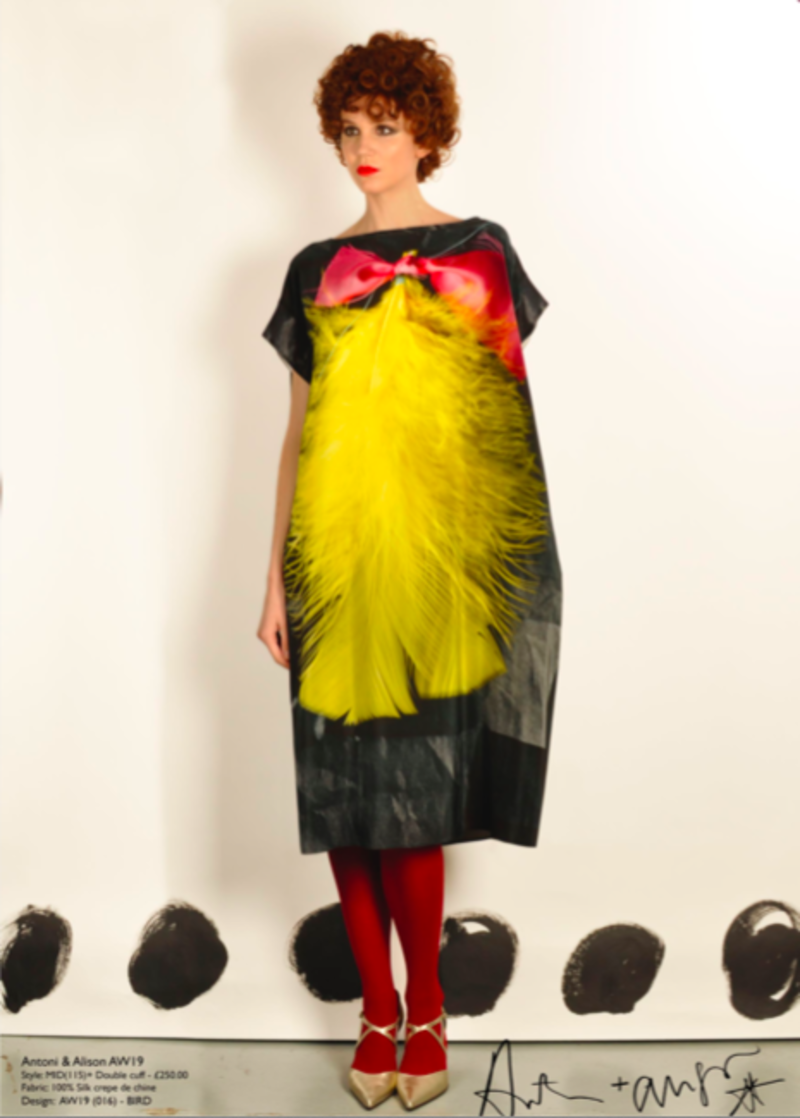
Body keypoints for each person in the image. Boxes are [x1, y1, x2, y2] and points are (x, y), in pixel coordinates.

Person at [258, 31, 562, 1112]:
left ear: (427, 132)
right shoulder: (315, 269)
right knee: (343, 796)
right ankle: (374, 1010)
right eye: (348, 128)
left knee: (413, 802)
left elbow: (500, 425)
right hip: (332, 563)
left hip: (435, 565)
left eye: (383, 126)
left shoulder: (480, 249)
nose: (362, 147)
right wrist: (272, 580)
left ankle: (425, 1010)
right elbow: (299, 432)